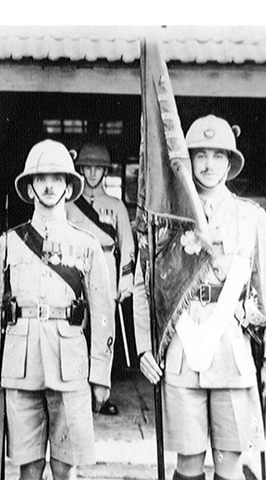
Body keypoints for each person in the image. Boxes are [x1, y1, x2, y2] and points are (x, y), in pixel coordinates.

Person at [134, 115, 266, 480]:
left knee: (231, 464)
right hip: (182, 352)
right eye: (200, 156)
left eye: (218, 156)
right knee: (188, 465)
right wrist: (146, 347)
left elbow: (263, 291)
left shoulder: (250, 217)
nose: (209, 166)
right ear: (187, 162)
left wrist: (248, 313)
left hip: (231, 354)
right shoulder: (167, 220)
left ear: (230, 163)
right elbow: (143, 285)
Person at [0, 139, 115, 480]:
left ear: (69, 186)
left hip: (70, 365)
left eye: (57, 178)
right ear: (29, 187)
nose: (48, 185)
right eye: (41, 178)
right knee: (28, 466)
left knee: (64, 466)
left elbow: (103, 314)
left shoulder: (86, 244)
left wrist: (100, 374)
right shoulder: (9, 242)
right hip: (20, 363)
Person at [65, 143, 135, 416]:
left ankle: (102, 393)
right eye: (87, 167)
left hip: (106, 263)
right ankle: (76, 389)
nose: (92, 172)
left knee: (104, 330)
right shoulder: (69, 205)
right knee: (74, 328)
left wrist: (125, 281)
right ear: (80, 169)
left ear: (105, 171)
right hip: (75, 266)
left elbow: (127, 245)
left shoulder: (116, 206)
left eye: (98, 168)